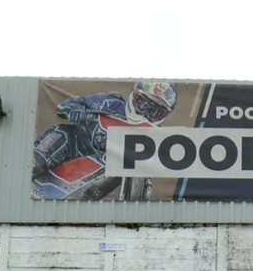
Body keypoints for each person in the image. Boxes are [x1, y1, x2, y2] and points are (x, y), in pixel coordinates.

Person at [31, 82, 177, 199]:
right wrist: (76, 109)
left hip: (103, 168)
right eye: (144, 105)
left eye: (155, 112)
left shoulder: (156, 137)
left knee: (135, 168)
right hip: (75, 147)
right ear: (134, 96)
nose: (145, 113)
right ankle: (27, 168)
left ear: (164, 116)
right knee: (61, 133)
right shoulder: (111, 102)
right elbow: (70, 104)